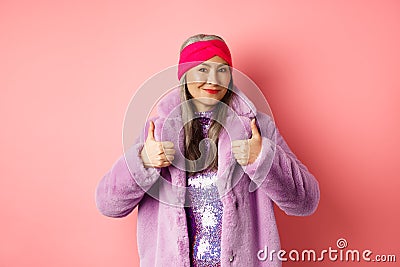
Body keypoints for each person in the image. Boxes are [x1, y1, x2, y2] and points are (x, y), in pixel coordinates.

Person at [95, 34, 320, 267]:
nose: (213, 80)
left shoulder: (256, 128)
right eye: (202, 69)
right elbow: (108, 204)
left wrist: (263, 159)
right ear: (184, 75)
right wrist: (144, 161)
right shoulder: (157, 131)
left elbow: (305, 202)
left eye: (222, 70)